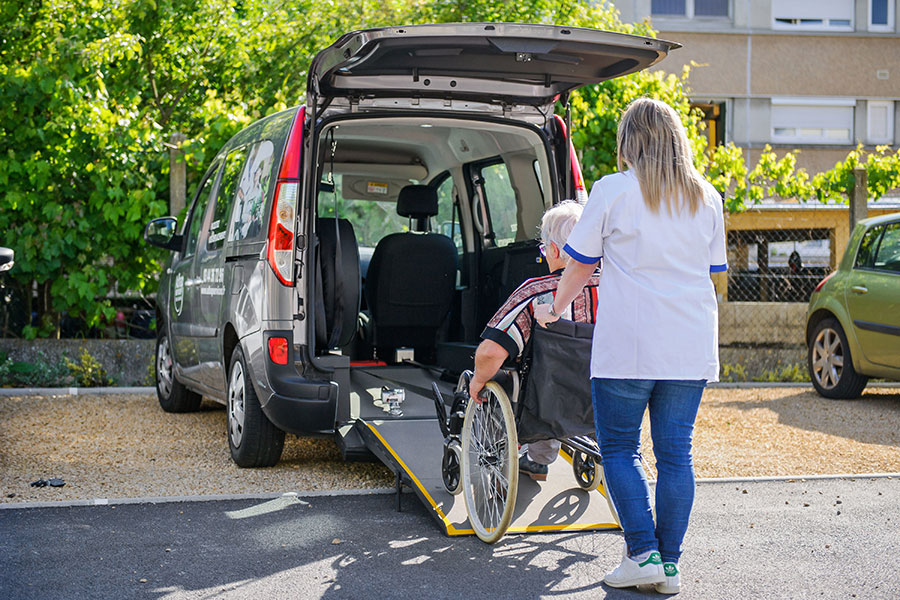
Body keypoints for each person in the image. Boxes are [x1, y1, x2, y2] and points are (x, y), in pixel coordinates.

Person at [535, 97, 727, 595]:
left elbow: (577, 266)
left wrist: (554, 310)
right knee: (676, 455)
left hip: (629, 343)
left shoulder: (613, 190)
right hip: (688, 343)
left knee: (619, 448)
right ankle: (669, 566)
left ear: (629, 142)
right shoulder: (706, 196)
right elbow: (716, 277)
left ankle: (642, 553)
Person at [468, 201, 600, 482]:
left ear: (553, 250)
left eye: (544, 249)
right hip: (606, 396)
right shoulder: (619, 287)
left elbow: (491, 353)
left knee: (533, 377)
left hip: (546, 402)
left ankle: (538, 458)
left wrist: (478, 380)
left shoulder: (536, 292)